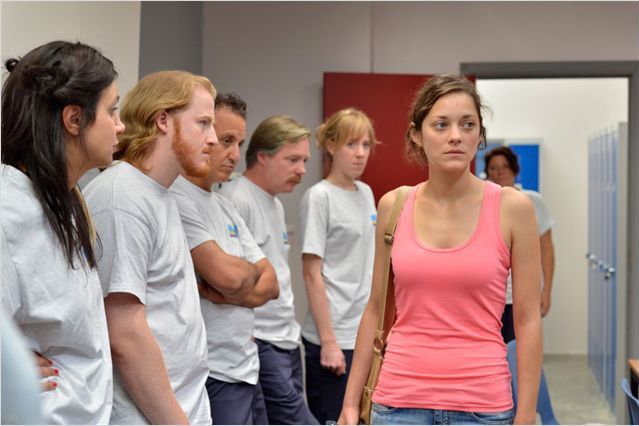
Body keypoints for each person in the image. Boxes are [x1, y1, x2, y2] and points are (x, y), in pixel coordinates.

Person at [338, 74, 542, 425]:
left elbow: (526, 319)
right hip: (398, 404)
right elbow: (375, 310)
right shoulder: (394, 206)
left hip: (482, 406)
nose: (455, 136)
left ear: (480, 135)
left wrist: (525, 415)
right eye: (441, 124)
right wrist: (350, 404)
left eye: (467, 125)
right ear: (417, 134)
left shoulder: (512, 208)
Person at [1, 40, 123, 424]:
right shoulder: (9, 211)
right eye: (112, 110)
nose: (120, 126)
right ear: (74, 119)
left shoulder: (67, 201)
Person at [83, 70, 216, 425]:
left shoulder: (159, 193)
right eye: (203, 123)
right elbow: (124, 333)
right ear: (162, 120)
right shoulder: (123, 198)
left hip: (183, 404)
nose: (214, 139)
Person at [169, 92, 279, 425]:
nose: (233, 154)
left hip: (246, 364)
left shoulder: (223, 203)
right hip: (214, 370)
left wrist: (237, 290)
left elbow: (271, 282)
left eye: (239, 144)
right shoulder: (176, 197)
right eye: (225, 140)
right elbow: (230, 277)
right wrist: (243, 280)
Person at [218, 115, 318, 425]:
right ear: (263, 156)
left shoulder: (273, 202)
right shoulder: (235, 198)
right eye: (292, 160)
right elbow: (229, 281)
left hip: (286, 337)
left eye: (304, 160)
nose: (301, 170)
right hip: (260, 339)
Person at [299, 108, 378, 424]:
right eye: (351, 145)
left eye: (366, 145)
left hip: (363, 335)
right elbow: (311, 272)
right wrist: (329, 343)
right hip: (332, 338)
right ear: (330, 146)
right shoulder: (319, 197)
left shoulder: (367, 193)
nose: (360, 154)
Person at [485, 146, 556, 342]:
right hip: (488, 297)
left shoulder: (532, 201)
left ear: (515, 170)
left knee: (519, 354)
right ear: (487, 172)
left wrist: (546, 290)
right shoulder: (481, 202)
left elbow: (546, 248)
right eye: (493, 168)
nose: (499, 172)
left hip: (522, 296)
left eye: (505, 166)